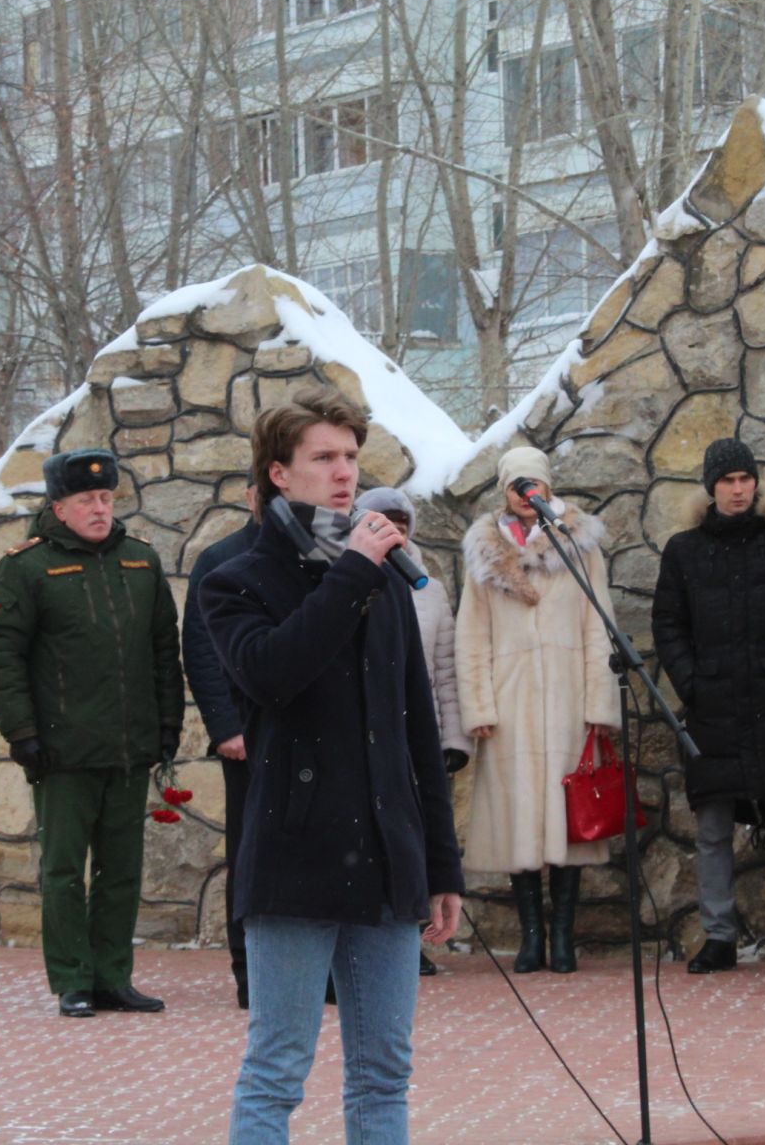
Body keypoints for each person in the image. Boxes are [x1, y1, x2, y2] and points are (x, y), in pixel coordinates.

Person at [200, 389, 462, 1144]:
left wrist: (439, 866)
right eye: (324, 457)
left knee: (385, 1073)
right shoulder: (235, 578)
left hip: (384, 857)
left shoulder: (384, 575)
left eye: (351, 455)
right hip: (296, 853)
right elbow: (273, 673)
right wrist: (350, 570)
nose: (344, 472)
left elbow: (419, 730)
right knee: (278, 1068)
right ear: (279, 473)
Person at [0, 449, 185, 1019]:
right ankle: (72, 978)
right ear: (58, 506)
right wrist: (22, 732)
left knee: (121, 871)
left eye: (106, 498)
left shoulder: (140, 562)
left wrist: (169, 723)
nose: (99, 508)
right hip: (61, 749)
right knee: (64, 870)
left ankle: (112, 975)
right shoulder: (26, 568)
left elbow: (165, 649)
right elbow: (0, 654)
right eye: (87, 500)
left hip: (129, 746)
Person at [653, 439, 765, 977]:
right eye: (726, 480)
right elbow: (669, 625)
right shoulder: (685, 551)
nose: (737, 488)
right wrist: (693, 683)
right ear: (712, 487)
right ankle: (719, 937)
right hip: (714, 708)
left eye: (744, 478)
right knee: (712, 830)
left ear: (757, 482)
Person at [457, 446, 617, 975]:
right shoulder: (484, 551)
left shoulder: (578, 543)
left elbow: (599, 627)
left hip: (570, 699)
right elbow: (471, 635)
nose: (525, 494)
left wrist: (600, 702)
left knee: (568, 818)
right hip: (512, 702)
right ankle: (531, 937)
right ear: (503, 490)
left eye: (534, 484)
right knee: (518, 815)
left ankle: (564, 937)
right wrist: (479, 704)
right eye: (514, 484)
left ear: (548, 487)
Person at [356, 484, 469, 978]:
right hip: (369, 735)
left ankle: (415, 933)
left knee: (419, 838)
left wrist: (453, 739)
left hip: (417, 736)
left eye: (401, 525)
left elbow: (444, 669)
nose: (394, 533)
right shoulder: (349, 578)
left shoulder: (428, 589)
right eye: (383, 523)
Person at [182, 484, 262, 1009]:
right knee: (251, 854)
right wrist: (225, 727)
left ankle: (318, 971)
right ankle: (249, 973)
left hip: (313, 736)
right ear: (252, 494)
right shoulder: (222, 559)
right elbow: (202, 651)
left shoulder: (327, 554)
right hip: (247, 739)